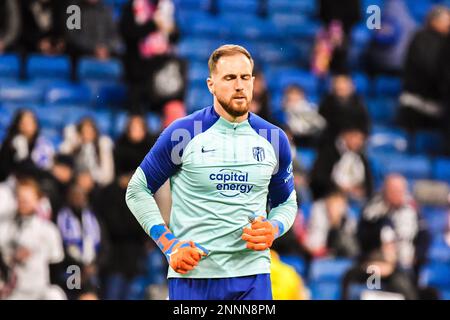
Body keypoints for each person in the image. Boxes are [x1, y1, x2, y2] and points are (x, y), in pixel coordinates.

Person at [126, 45, 297, 300]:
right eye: (229, 78)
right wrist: (169, 244)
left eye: (245, 77)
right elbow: (137, 190)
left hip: (252, 277)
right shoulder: (183, 133)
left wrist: (273, 227)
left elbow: (286, 202)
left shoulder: (273, 137)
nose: (239, 85)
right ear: (211, 85)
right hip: (193, 277)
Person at [0, 178, 65, 300]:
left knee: (56, 294)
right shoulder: (4, 228)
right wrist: (11, 258)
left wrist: (77, 287)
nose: (23, 203)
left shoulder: (49, 230)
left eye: (27, 199)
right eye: (20, 198)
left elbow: (60, 267)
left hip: (40, 292)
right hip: (12, 293)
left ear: (38, 200)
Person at [120, 0, 184, 114]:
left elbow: (175, 37)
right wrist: (153, 25)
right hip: (138, 71)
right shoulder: (132, 6)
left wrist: (172, 30)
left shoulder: (167, 8)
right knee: (137, 111)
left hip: (162, 70)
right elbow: (128, 34)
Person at [397, 6, 450, 133]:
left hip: (439, 101)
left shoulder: (446, 41)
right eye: (447, 21)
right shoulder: (421, 38)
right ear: (434, 21)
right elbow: (427, 67)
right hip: (419, 102)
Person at [342, 217, 419, 300]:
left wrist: (389, 269)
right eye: (386, 244)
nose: (389, 247)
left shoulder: (400, 275)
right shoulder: (357, 269)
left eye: (391, 244)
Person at [360, 174, 424, 271]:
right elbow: (363, 238)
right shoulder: (372, 210)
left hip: (405, 263)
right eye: (392, 190)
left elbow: (424, 236)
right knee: (373, 279)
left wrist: (417, 256)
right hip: (376, 263)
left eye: (399, 190)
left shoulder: (412, 210)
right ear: (385, 191)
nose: (396, 194)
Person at [310, 128, 373, 201]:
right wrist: (339, 189)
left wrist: (361, 191)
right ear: (346, 135)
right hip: (330, 197)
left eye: (361, 139)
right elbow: (319, 178)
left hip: (355, 200)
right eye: (356, 137)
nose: (359, 142)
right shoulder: (329, 152)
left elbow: (369, 185)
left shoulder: (362, 158)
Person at [0, 109, 54, 182]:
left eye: (31, 121)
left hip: (37, 184)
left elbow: (45, 169)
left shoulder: (43, 145)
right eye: (24, 122)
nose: (27, 125)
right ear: (18, 124)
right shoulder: (9, 144)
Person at [60, 117, 114, 187]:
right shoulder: (75, 146)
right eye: (83, 132)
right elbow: (63, 152)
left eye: (90, 132)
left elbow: (107, 175)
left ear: (95, 133)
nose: (86, 135)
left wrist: (91, 178)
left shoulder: (102, 146)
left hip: (97, 185)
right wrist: (72, 140)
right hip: (75, 182)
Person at [318, 74, 370, 144]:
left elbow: (365, 126)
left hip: (355, 142)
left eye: (344, 83)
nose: (341, 86)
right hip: (330, 142)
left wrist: (357, 136)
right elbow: (322, 126)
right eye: (338, 83)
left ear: (351, 86)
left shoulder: (359, 103)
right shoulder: (326, 103)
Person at [306, 190, 359, 258]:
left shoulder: (348, 218)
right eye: (332, 205)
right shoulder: (318, 216)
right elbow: (314, 248)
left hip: (344, 257)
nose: (336, 209)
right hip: (321, 258)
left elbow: (353, 248)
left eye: (340, 205)